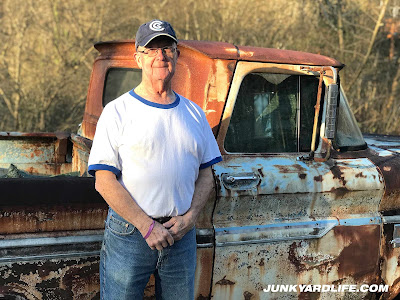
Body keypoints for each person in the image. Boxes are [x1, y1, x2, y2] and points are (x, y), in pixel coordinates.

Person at [87, 19, 222, 300]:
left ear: (176, 55)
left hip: (180, 234)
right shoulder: (117, 112)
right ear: (138, 58)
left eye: (167, 48)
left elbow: (207, 174)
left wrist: (190, 218)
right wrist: (146, 226)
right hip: (131, 233)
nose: (160, 56)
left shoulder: (194, 114)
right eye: (151, 50)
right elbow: (104, 181)